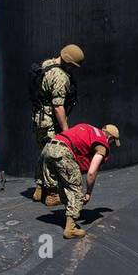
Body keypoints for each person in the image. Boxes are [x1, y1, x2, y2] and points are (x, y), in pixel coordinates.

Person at [39, 122, 121, 239]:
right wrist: (88, 192)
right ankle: (70, 229)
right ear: (110, 138)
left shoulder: (89, 128)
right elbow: (92, 172)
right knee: (75, 189)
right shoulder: (102, 144)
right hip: (63, 152)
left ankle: (53, 198)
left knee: (65, 181)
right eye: (112, 142)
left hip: (49, 148)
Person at [31, 45, 84, 203]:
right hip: (49, 122)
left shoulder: (48, 63)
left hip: (39, 118)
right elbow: (58, 106)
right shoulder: (60, 77)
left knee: (44, 153)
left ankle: (39, 189)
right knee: (54, 155)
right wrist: (66, 131)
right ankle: (53, 194)